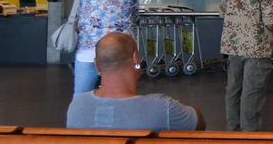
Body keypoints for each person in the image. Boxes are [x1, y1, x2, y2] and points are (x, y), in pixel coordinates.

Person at [67, 32, 204, 130]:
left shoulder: (77, 106)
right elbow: (198, 123)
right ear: (135, 60)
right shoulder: (162, 108)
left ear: (97, 65)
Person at [220, 0, 273, 132]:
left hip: (233, 45)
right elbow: (270, 19)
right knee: (252, 92)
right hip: (257, 47)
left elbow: (222, 10)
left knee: (233, 90)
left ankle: (233, 130)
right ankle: (250, 134)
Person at [74, 0, 141, 96]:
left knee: (80, 97)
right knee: (122, 96)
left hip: (87, 49)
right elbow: (135, 16)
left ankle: (78, 121)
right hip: (119, 53)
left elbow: (79, 11)